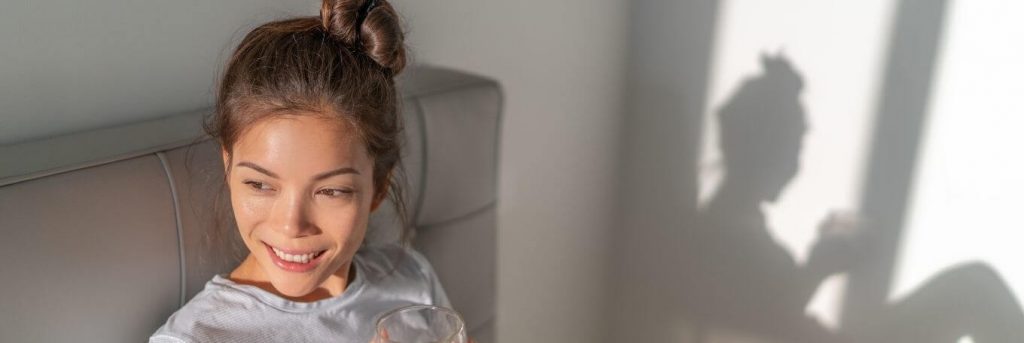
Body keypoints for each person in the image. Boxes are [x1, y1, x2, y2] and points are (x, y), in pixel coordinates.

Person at [150, 1, 460, 342]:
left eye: (331, 191)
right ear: (228, 168)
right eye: (259, 184)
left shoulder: (411, 279)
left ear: (379, 187)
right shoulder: (196, 337)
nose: (291, 225)